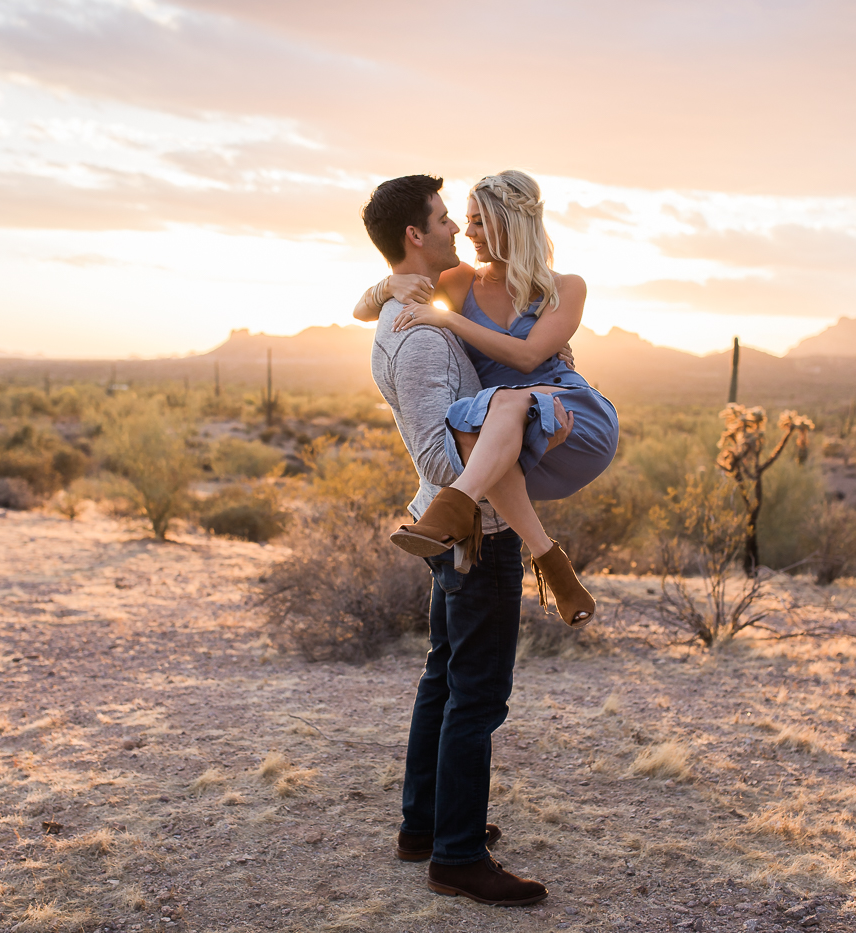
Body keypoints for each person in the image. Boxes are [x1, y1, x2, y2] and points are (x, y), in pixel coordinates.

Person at [362, 174, 550, 906]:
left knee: (444, 679)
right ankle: (458, 855)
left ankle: (425, 825)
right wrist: (509, 456)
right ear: (416, 234)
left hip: (451, 527)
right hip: (475, 533)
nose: (454, 232)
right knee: (477, 695)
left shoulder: (413, 311)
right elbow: (439, 458)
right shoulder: (416, 344)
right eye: (444, 220)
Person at [354, 169, 620, 627]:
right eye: (465, 220)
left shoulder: (565, 287)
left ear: (511, 224)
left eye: (479, 222)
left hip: (567, 411)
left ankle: (449, 509)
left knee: (504, 404)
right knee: (475, 426)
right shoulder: (460, 281)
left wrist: (448, 320)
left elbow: (528, 356)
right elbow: (362, 310)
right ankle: (551, 563)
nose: (467, 232)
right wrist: (387, 287)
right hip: (502, 426)